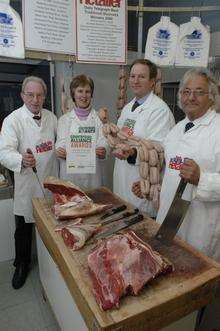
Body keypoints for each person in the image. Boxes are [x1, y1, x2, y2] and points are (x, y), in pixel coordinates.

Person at [155, 68, 220, 330]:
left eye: (199, 92)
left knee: (199, 293)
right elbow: (170, 170)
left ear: (212, 97)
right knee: (174, 291)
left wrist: (202, 178)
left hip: (201, 226)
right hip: (171, 222)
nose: (190, 97)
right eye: (186, 91)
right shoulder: (177, 129)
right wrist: (153, 186)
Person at [0, 76, 58, 289]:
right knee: (23, 229)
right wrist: (21, 159)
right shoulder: (12, 120)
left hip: (50, 181)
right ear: (22, 95)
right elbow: (3, 152)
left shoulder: (52, 118)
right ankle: (21, 264)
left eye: (39, 95)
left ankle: (50, 263)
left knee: (50, 227)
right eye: (30, 95)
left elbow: (62, 142)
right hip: (27, 185)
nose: (35, 99)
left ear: (44, 96)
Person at [113, 59, 175, 217]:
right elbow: (120, 138)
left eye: (141, 77)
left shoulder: (159, 110)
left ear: (152, 82)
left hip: (141, 185)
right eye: (132, 76)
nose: (135, 80)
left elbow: (158, 151)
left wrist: (132, 153)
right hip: (122, 180)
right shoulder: (128, 108)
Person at [55, 74, 108, 190]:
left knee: (93, 204)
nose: (84, 95)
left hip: (92, 175)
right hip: (70, 175)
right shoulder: (64, 120)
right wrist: (60, 151)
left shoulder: (98, 119)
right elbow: (60, 143)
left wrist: (103, 150)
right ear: (73, 94)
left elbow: (104, 142)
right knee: (72, 205)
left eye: (87, 91)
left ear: (91, 94)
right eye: (80, 91)